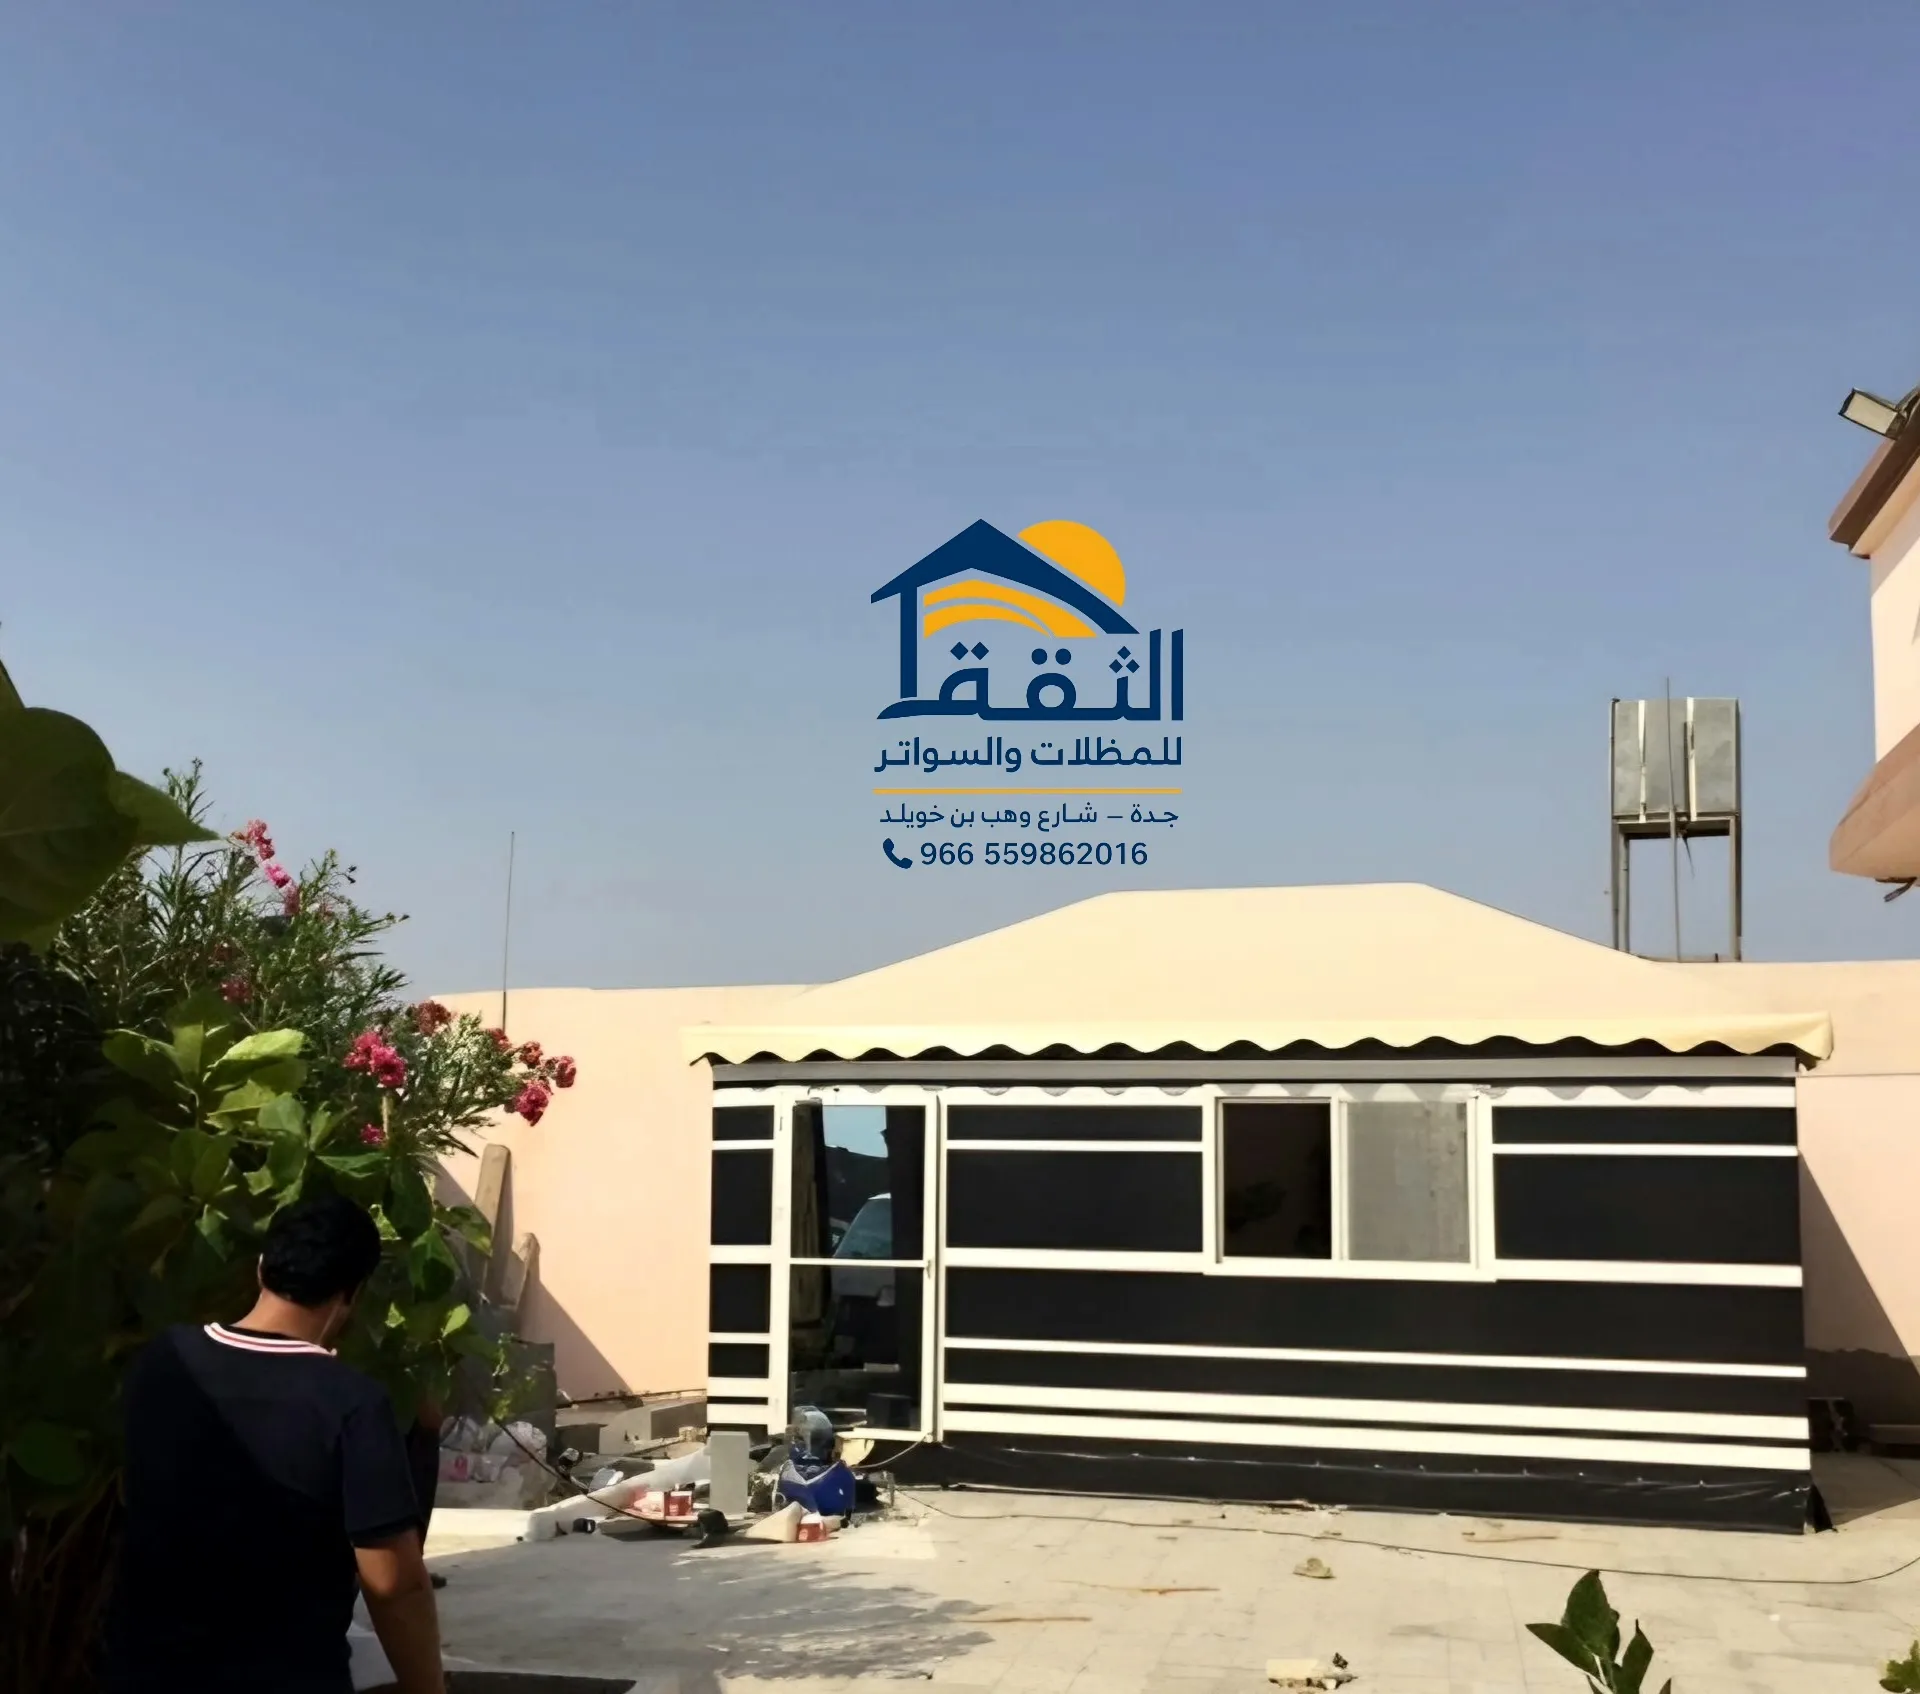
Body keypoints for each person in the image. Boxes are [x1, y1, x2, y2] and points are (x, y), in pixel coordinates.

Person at [106, 1193, 446, 1694]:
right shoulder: (350, 1404)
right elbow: (393, 1583)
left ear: (262, 1267)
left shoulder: (163, 1361)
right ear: (350, 1295)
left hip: (145, 1674)